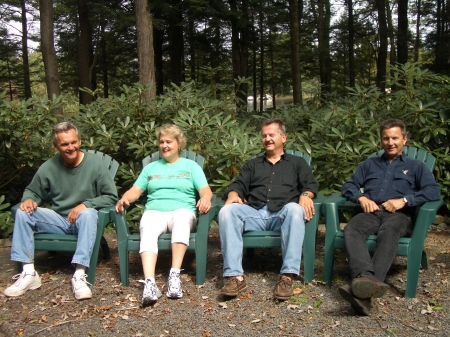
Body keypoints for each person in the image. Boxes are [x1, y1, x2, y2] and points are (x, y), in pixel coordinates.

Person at [4, 122, 118, 300]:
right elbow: (33, 191)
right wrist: (28, 200)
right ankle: (29, 273)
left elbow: (111, 196)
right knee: (22, 212)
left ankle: (79, 274)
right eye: (64, 144)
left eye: (74, 142)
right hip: (58, 220)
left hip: (84, 221)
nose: (70, 147)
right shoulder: (49, 167)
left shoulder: (95, 164)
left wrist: (85, 205)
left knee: (88, 213)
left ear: (79, 141)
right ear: (56, 146)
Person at [339, 119, 441, 315]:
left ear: (404, 139)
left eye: (395, 138)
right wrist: (360, 197)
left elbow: (433, 191)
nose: (390, 142)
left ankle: (362, 288)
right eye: (386, 138)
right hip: (371, 212)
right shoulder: (369, 165)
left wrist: (405, 200)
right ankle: (366, 278)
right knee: (352, 228)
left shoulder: (416, 166)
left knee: (389, 231)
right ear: (381, 141)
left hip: (399, 215)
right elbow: (348, 186)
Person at [218, 118, 319, 300]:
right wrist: (233, 194)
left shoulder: (297, 163)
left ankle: (287, 276)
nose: (267, 139)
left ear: (283, 137)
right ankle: (235, 276)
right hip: (255, 213)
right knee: (227, 211)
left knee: (295, 209)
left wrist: (306, 195)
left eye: (271, 135)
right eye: (264, 136)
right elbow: (239, 184)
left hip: (282, 215)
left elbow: (310, 185)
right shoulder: (253, 164)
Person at [115, 124, 213, 306]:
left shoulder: (191, 166)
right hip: (155, 211)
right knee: (148, 224)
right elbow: (136, 191)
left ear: (179, 144)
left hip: (182, 210)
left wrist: (206, 199)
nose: (165, 146)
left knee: (182, 219)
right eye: (162, 142)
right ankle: (150, 284)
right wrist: (124, 198)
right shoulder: (150, 168)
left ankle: (174, 276)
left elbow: (205, 190)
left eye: (169, 141)